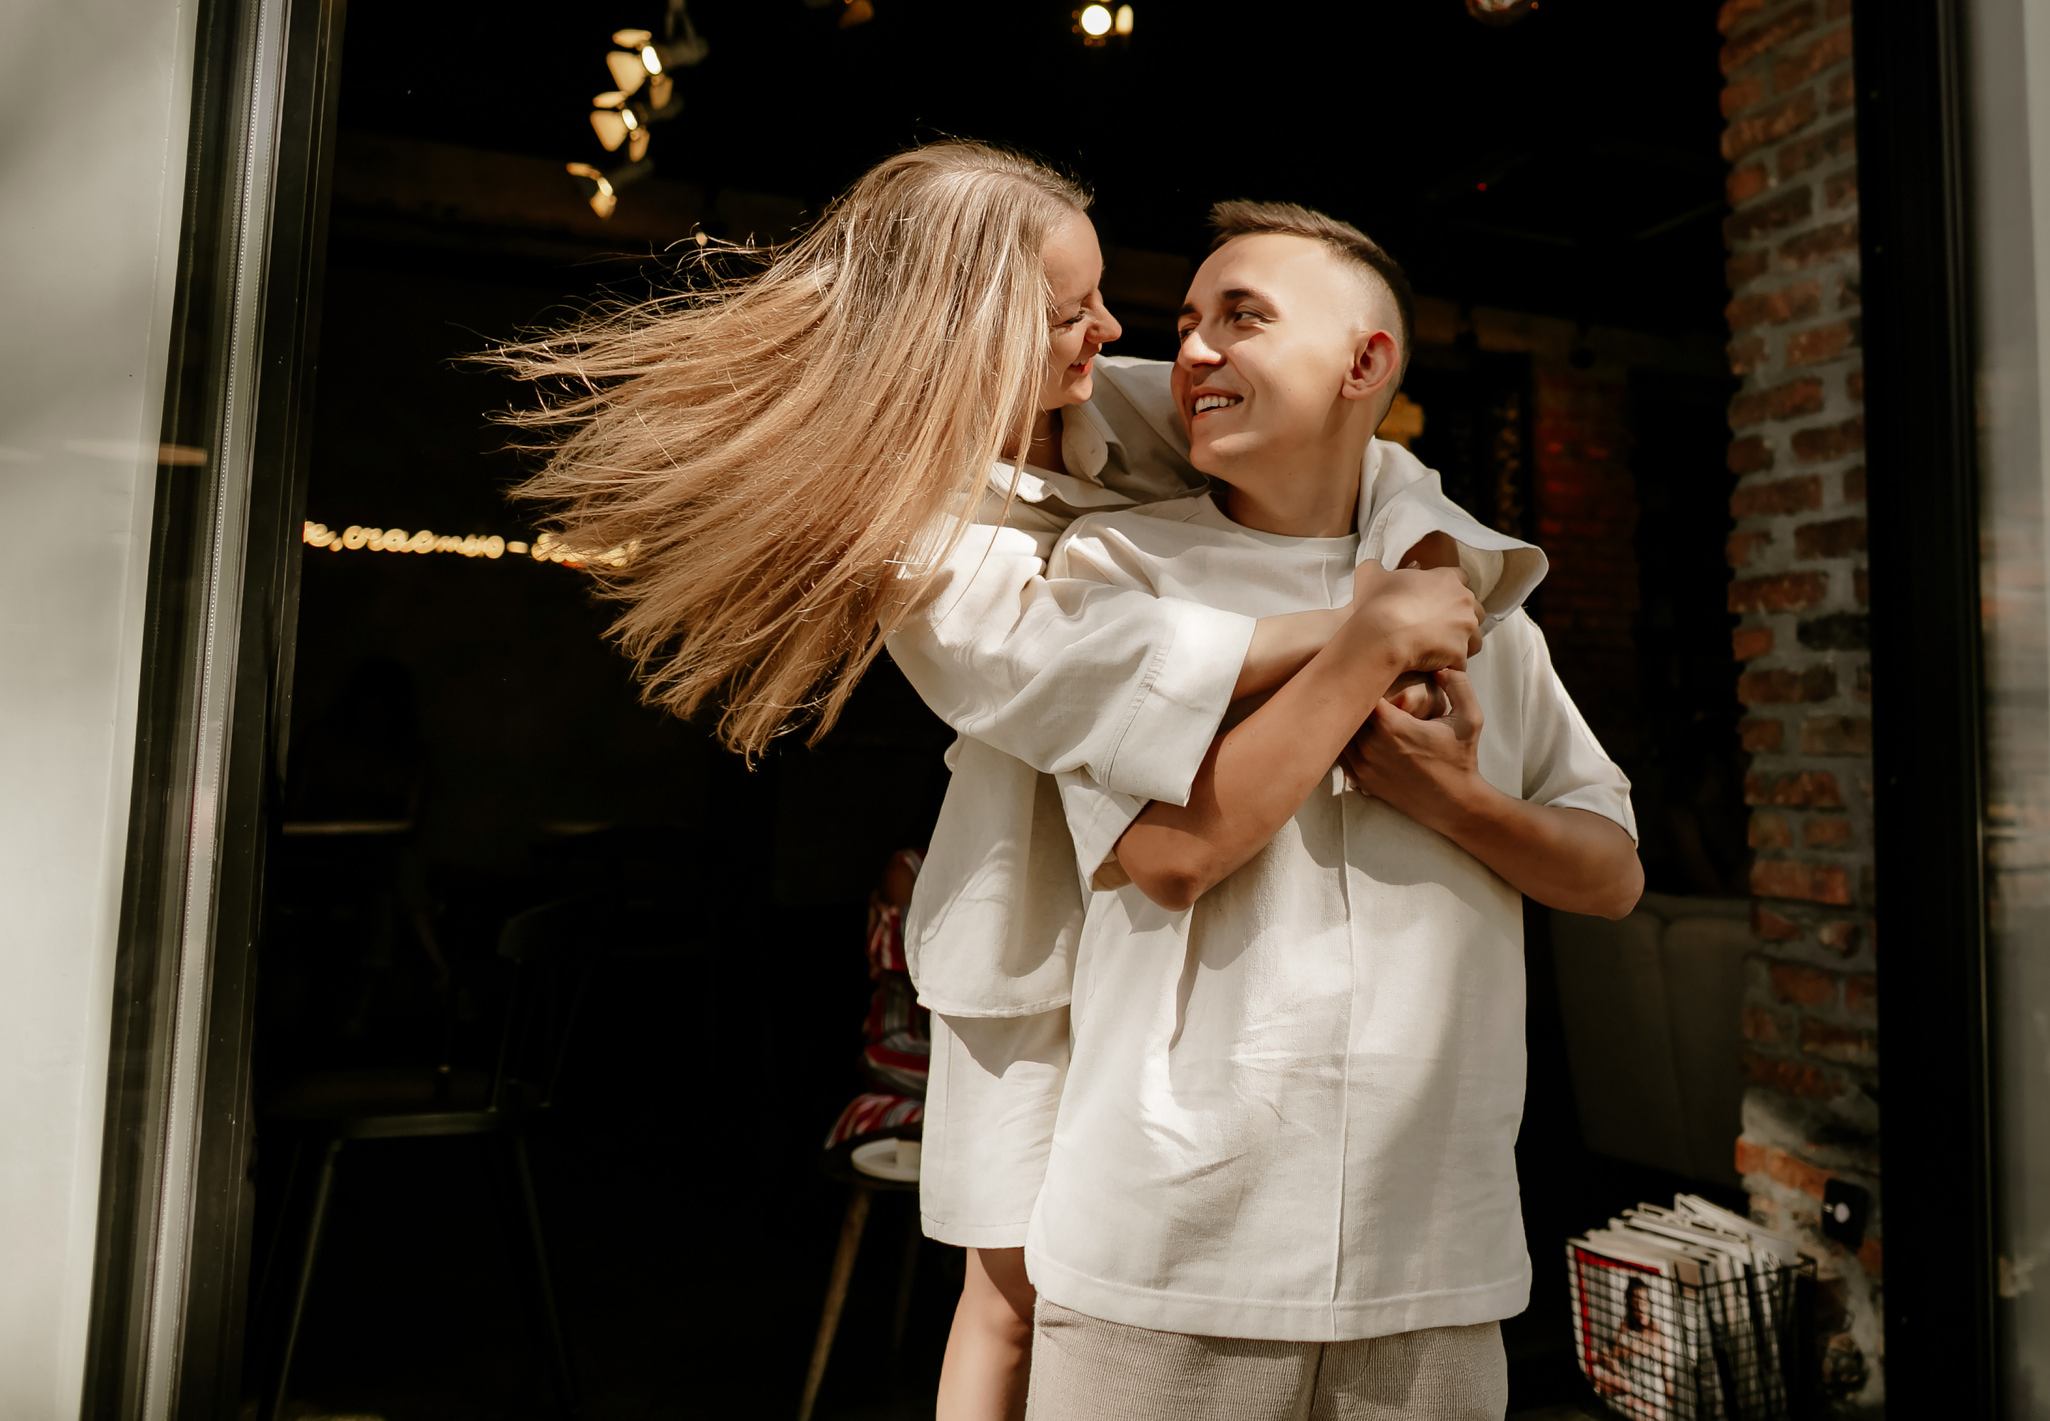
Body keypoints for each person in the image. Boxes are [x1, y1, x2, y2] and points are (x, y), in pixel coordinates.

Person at [488, 144, 1495, 1421]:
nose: (1118, 330)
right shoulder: (908, 531)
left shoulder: (1119, 402)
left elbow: (1360, 461)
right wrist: (1371, 627)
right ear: (969, 334)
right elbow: (1091, 668)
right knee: (1017, 1293)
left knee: (1142, 1272)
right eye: (1074, 311)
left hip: (1186, 890)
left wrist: (1412, 569)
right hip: (1044, 917)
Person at [1020, 204, 1645, 1421]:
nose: (1192, 350)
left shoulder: (1475, 594)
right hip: (1170, 1245)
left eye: (1241, 317)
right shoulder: (1117, 572)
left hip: (1433, 1256)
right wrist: (1366, 648)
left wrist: (1453, 799)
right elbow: (1164, 855)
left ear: (1366, 363)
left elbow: (1609, 873)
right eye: (1188, 323)